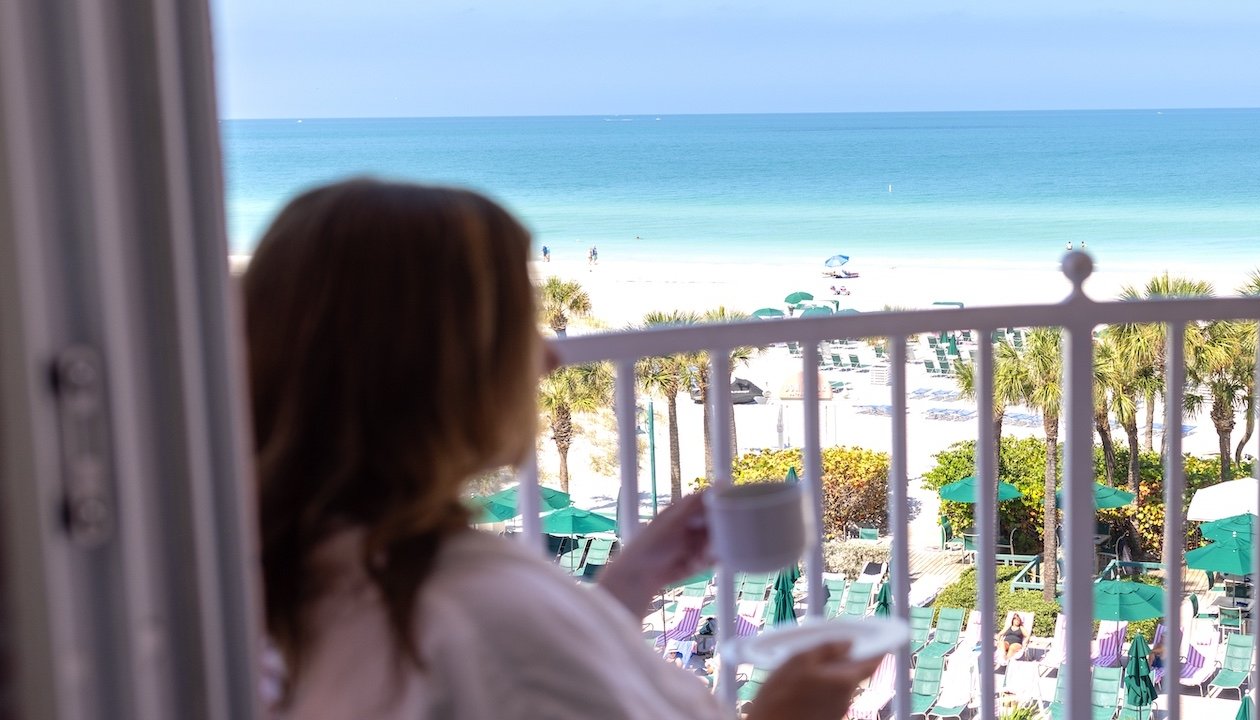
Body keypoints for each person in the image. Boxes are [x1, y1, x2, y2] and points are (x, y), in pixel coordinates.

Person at [243, 179, 879, 719]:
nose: (548, 357)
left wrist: (628, 584)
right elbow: (514, 662)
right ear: (440, 370)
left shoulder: (298, 565)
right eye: (523, 327)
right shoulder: (475, 608)